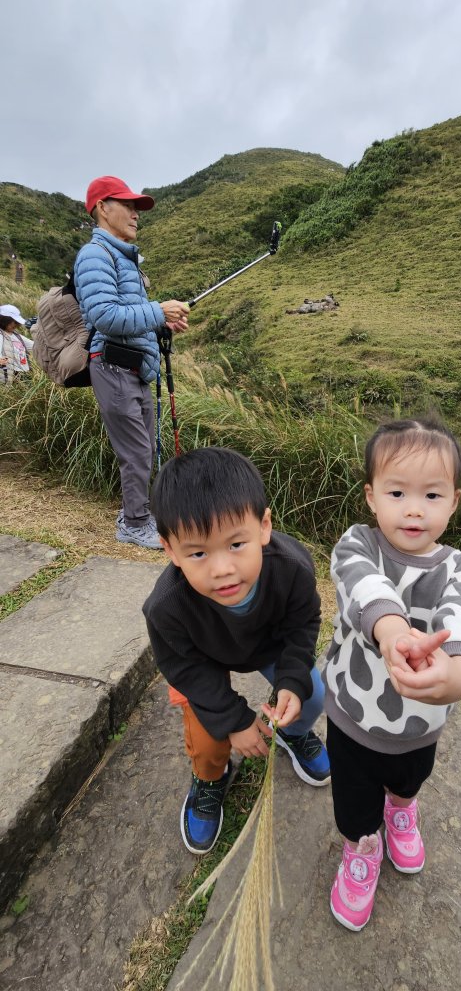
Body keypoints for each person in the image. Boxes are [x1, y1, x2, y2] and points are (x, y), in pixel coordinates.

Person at [324, 417, 461, 931]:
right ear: (372, 497)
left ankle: (401, 812)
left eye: (432, 495)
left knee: (410, 779)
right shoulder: (357, 545)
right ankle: (363, 846)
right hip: (353, 713)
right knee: (355, 801)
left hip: (421, 721)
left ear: (454, 501)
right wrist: (395, 633)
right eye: (398, 492)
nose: (414, 508)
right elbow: (363, 587)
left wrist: (459, 676)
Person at [143, 446, 331, 855]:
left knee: (313, 693)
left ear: (264, 527)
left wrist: (292, 680)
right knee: (210, 741)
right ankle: (209, 780)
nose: (222, 569)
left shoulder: (292, 568)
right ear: (170, 550)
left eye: (236, 544)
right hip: (202, 660)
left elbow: (302, 626)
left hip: (268, 644)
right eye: (197, 553)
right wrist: (234, 720)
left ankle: (291, 735)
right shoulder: (166, 607)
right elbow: (183, 668)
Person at [74, 176, 190, 549]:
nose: (136, 214)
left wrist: (163, 321)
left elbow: (131, 316)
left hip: (134, 368)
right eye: (128, 205)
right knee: (136, 450)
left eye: (138, 207)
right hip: (113, 368)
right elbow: (105, 315)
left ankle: (137, 513)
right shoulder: (95, 255)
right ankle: (134, 524)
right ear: (102, 208)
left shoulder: (123, 257)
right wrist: (158, 310)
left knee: (146, 448)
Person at [0, 305, 34, 385]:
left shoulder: (16, 335)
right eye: (15, 322)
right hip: (10, 376)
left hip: (25, 374)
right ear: (5, 320)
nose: (17, 324)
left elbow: (34, 346)